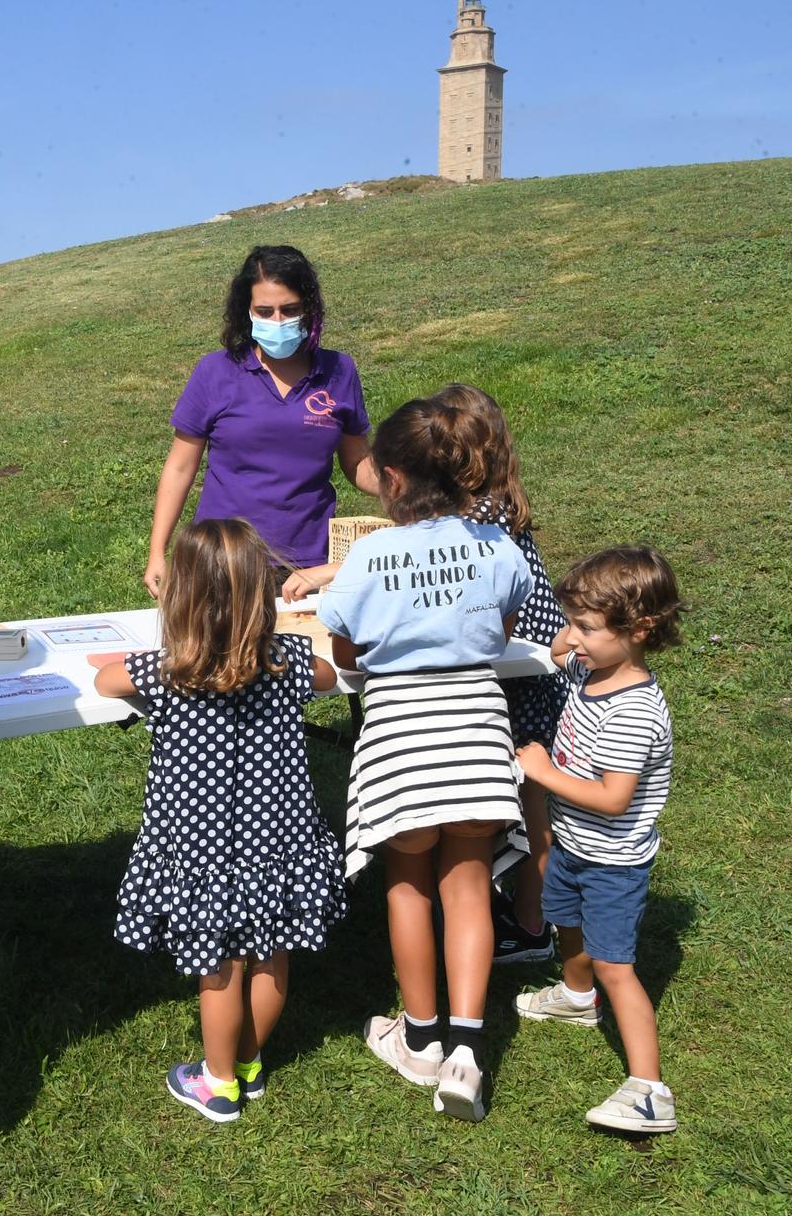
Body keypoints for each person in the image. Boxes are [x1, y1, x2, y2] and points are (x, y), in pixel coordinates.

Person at [315, 396, 534, 1124]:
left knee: (408, 884)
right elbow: (502, 630)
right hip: (475, 734)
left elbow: (343, 648)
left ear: (394, 480)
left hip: (401, 740)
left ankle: (420, 1037)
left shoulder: (370, 553)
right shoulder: (495, 544)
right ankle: (469, 1047)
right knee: (467, 884)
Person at [99, 519, 345, 1122]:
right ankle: (250, 1060)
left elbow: (106, 680)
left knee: (219, 967)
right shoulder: (288, 661)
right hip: (279, 841)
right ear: (262, 594)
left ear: (180, 598)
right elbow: (331, 676)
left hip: (203, 852)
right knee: (273, 952)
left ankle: (217, 1081)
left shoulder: (166, 670)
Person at [513, 547, 683, 1134]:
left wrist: (542, 772)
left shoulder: (633, 710)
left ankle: (648, 1090)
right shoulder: (596, 669)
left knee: (616, 965)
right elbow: (567, 648)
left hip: (612, 860)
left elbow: (614, 798)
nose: (573, 639)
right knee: (568, 921)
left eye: (587, 627)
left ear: (638, 631)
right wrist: (573, 637)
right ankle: (575, 996)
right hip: (577, 844)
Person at [145, 246, 382, 599]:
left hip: (307, 567)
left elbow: (358, 462)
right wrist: (157, 552)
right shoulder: (214, 372)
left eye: (289, 310)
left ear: (309, 309)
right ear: (247, 312)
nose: (277, 321)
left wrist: (414, 491)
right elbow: (180, 467)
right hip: (223, 562)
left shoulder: (339, 370)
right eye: (264, 311)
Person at [432, 383, 570, 964]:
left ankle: (532, 925)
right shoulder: (497, 504)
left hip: (522, 676)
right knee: (526, 802)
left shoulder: (476, 521)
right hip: (528, 671)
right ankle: (517, 913)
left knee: (529, 806)